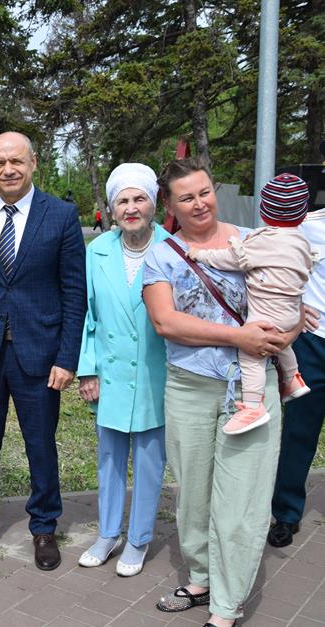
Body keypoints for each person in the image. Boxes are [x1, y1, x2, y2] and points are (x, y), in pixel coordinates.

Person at [143, 158, 299, 627]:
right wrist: (239, 337)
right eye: (186, 197)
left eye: (204, 192)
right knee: (192, 496)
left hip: (250, 392)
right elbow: (165, 322)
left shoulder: (255, 240)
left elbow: (291, 304)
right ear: (170, 206)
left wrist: (283, 335)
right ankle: (202, 576)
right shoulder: (161, 255)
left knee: (241, 502)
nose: (199, 203)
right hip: (189, 388)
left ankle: (226, 607)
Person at [0, 131, 86, 570]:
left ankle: (44, 526)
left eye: (16, 161)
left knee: (40, 444)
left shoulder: (61, 215)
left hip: (40, 353)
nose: (8, 170)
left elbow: (74, 291)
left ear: (33, 163)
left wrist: (67, 357)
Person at [76, 163, 168, 577]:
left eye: (139, 199)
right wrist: (87, 370)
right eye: (122, 201)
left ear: (154, 204)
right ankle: (108, 533)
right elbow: (87, 314)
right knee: (109, 458)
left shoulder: (172, 248)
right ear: (112, 209)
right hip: (110, 372)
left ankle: (139, 538)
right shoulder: (96, 250)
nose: (131, 208)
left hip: (155, 373)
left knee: (149, 461)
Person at [186, 173, 314, 434]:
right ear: (302, 215)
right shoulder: (300, 241)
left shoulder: (265, 240)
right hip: (291, 311)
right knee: (279, 342)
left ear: (264, 211)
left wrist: (201, 254)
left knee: (252, 353)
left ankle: (253, 406)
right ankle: (293, 379)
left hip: (267, 314)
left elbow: (231, 259)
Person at [269, 179, 325, 548]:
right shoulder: (305, 226)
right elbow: (271, 266)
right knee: (299, 432)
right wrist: (296, 306)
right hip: (313, 343)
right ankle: (286, 513)